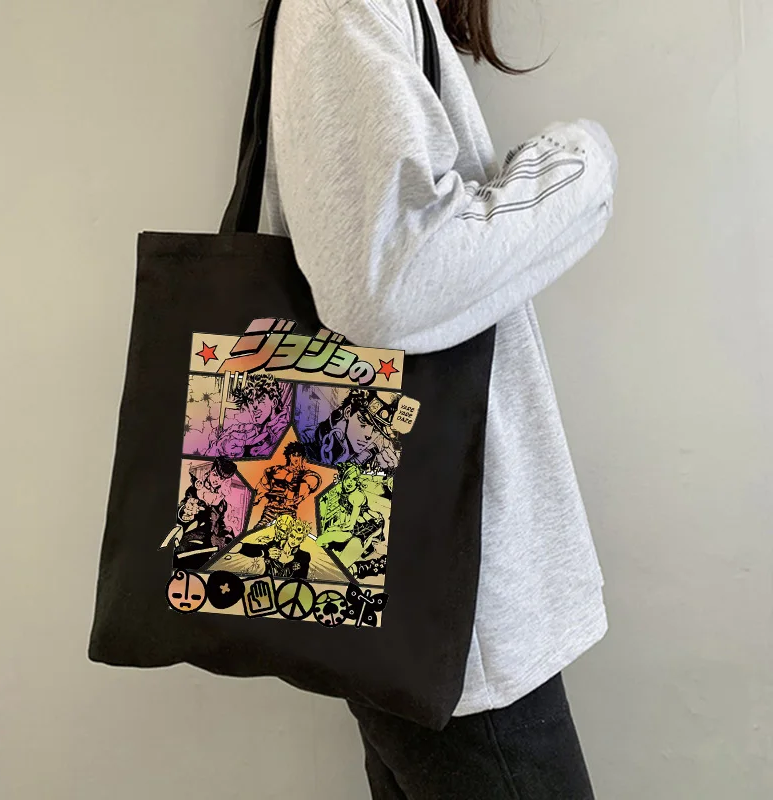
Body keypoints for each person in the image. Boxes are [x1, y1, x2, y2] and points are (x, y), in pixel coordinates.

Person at [262, 0, 619, 796]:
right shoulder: (347, 8)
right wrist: (579, 168)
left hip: (405, 574)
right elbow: (389, 284)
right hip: (451, 599)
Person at [252, 441, 322, 527]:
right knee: (258, 530)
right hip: (270, 511)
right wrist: (255, 499)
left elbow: (308, 486)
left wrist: (298, 479)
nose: (296, 458)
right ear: (289, 456)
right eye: (294, 455)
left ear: (302, 457)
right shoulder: (275, 470)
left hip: (288, 513)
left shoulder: (306, 475)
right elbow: (262, 487)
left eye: (299, 455)